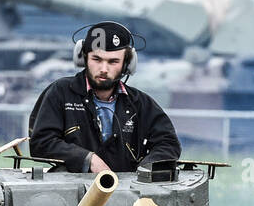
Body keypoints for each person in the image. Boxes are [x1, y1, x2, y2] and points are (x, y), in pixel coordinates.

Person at [29, 21, 181, 174]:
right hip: (71, 190)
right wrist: (87, 159)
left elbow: (168, 143)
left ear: (127, 64)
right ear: (83, 57)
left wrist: (143, 172)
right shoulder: (61, 92)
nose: (103, 69)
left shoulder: (139, 103)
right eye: (97, 59)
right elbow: (41, 143)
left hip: (129, 191)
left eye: (113, 61)